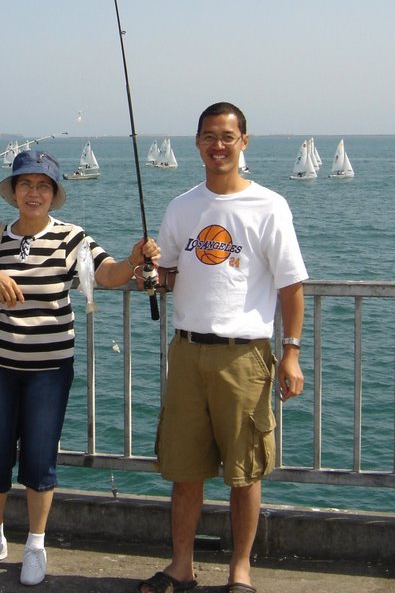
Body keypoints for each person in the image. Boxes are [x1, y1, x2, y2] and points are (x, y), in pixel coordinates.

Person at [0, 149, 159, 587]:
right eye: (25, 184)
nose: (34, 193)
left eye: (43, 185)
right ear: (13, 192)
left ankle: (35, 544)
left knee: (40, 457)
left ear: (54, 193)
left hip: (50, 369)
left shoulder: (72, 238)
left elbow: (106, 275)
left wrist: (135, 258)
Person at [138, 102, 308, 593]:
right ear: (197, 143)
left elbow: (291, 285)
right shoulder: (181, 206)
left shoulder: (270, 205)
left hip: (246, 354)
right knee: (185, 470)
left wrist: (291, 353)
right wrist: (149, 267)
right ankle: (181, 568)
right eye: (209, 136)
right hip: (187, 351)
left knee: (245, 471)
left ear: (244, 142)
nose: (218, 145)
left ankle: (240, 572)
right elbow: (167, 275)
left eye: (227, 137)